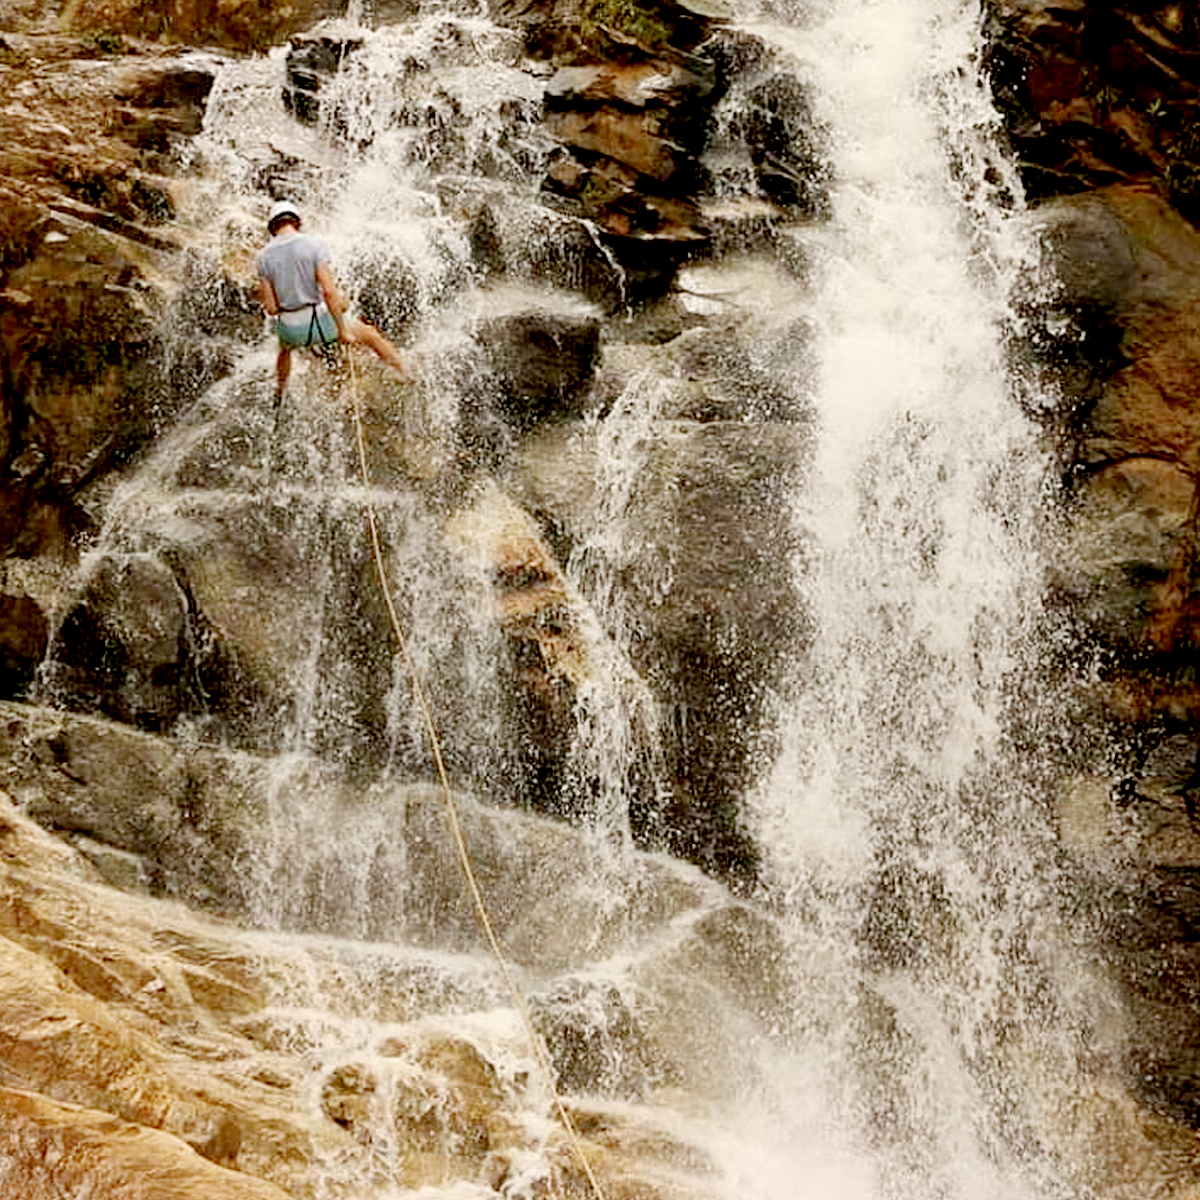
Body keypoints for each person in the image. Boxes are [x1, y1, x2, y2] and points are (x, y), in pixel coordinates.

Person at [256, 200, 408, 398]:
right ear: (297, 222)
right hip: (319, 325)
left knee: (285, 350)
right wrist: (343, 331)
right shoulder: (314, 244)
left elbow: (271, 308)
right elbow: (328, 291)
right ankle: (407, 373)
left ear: (273, 228)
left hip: (292, 333)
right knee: (369, 334)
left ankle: (280, 391)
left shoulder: (263, 257)